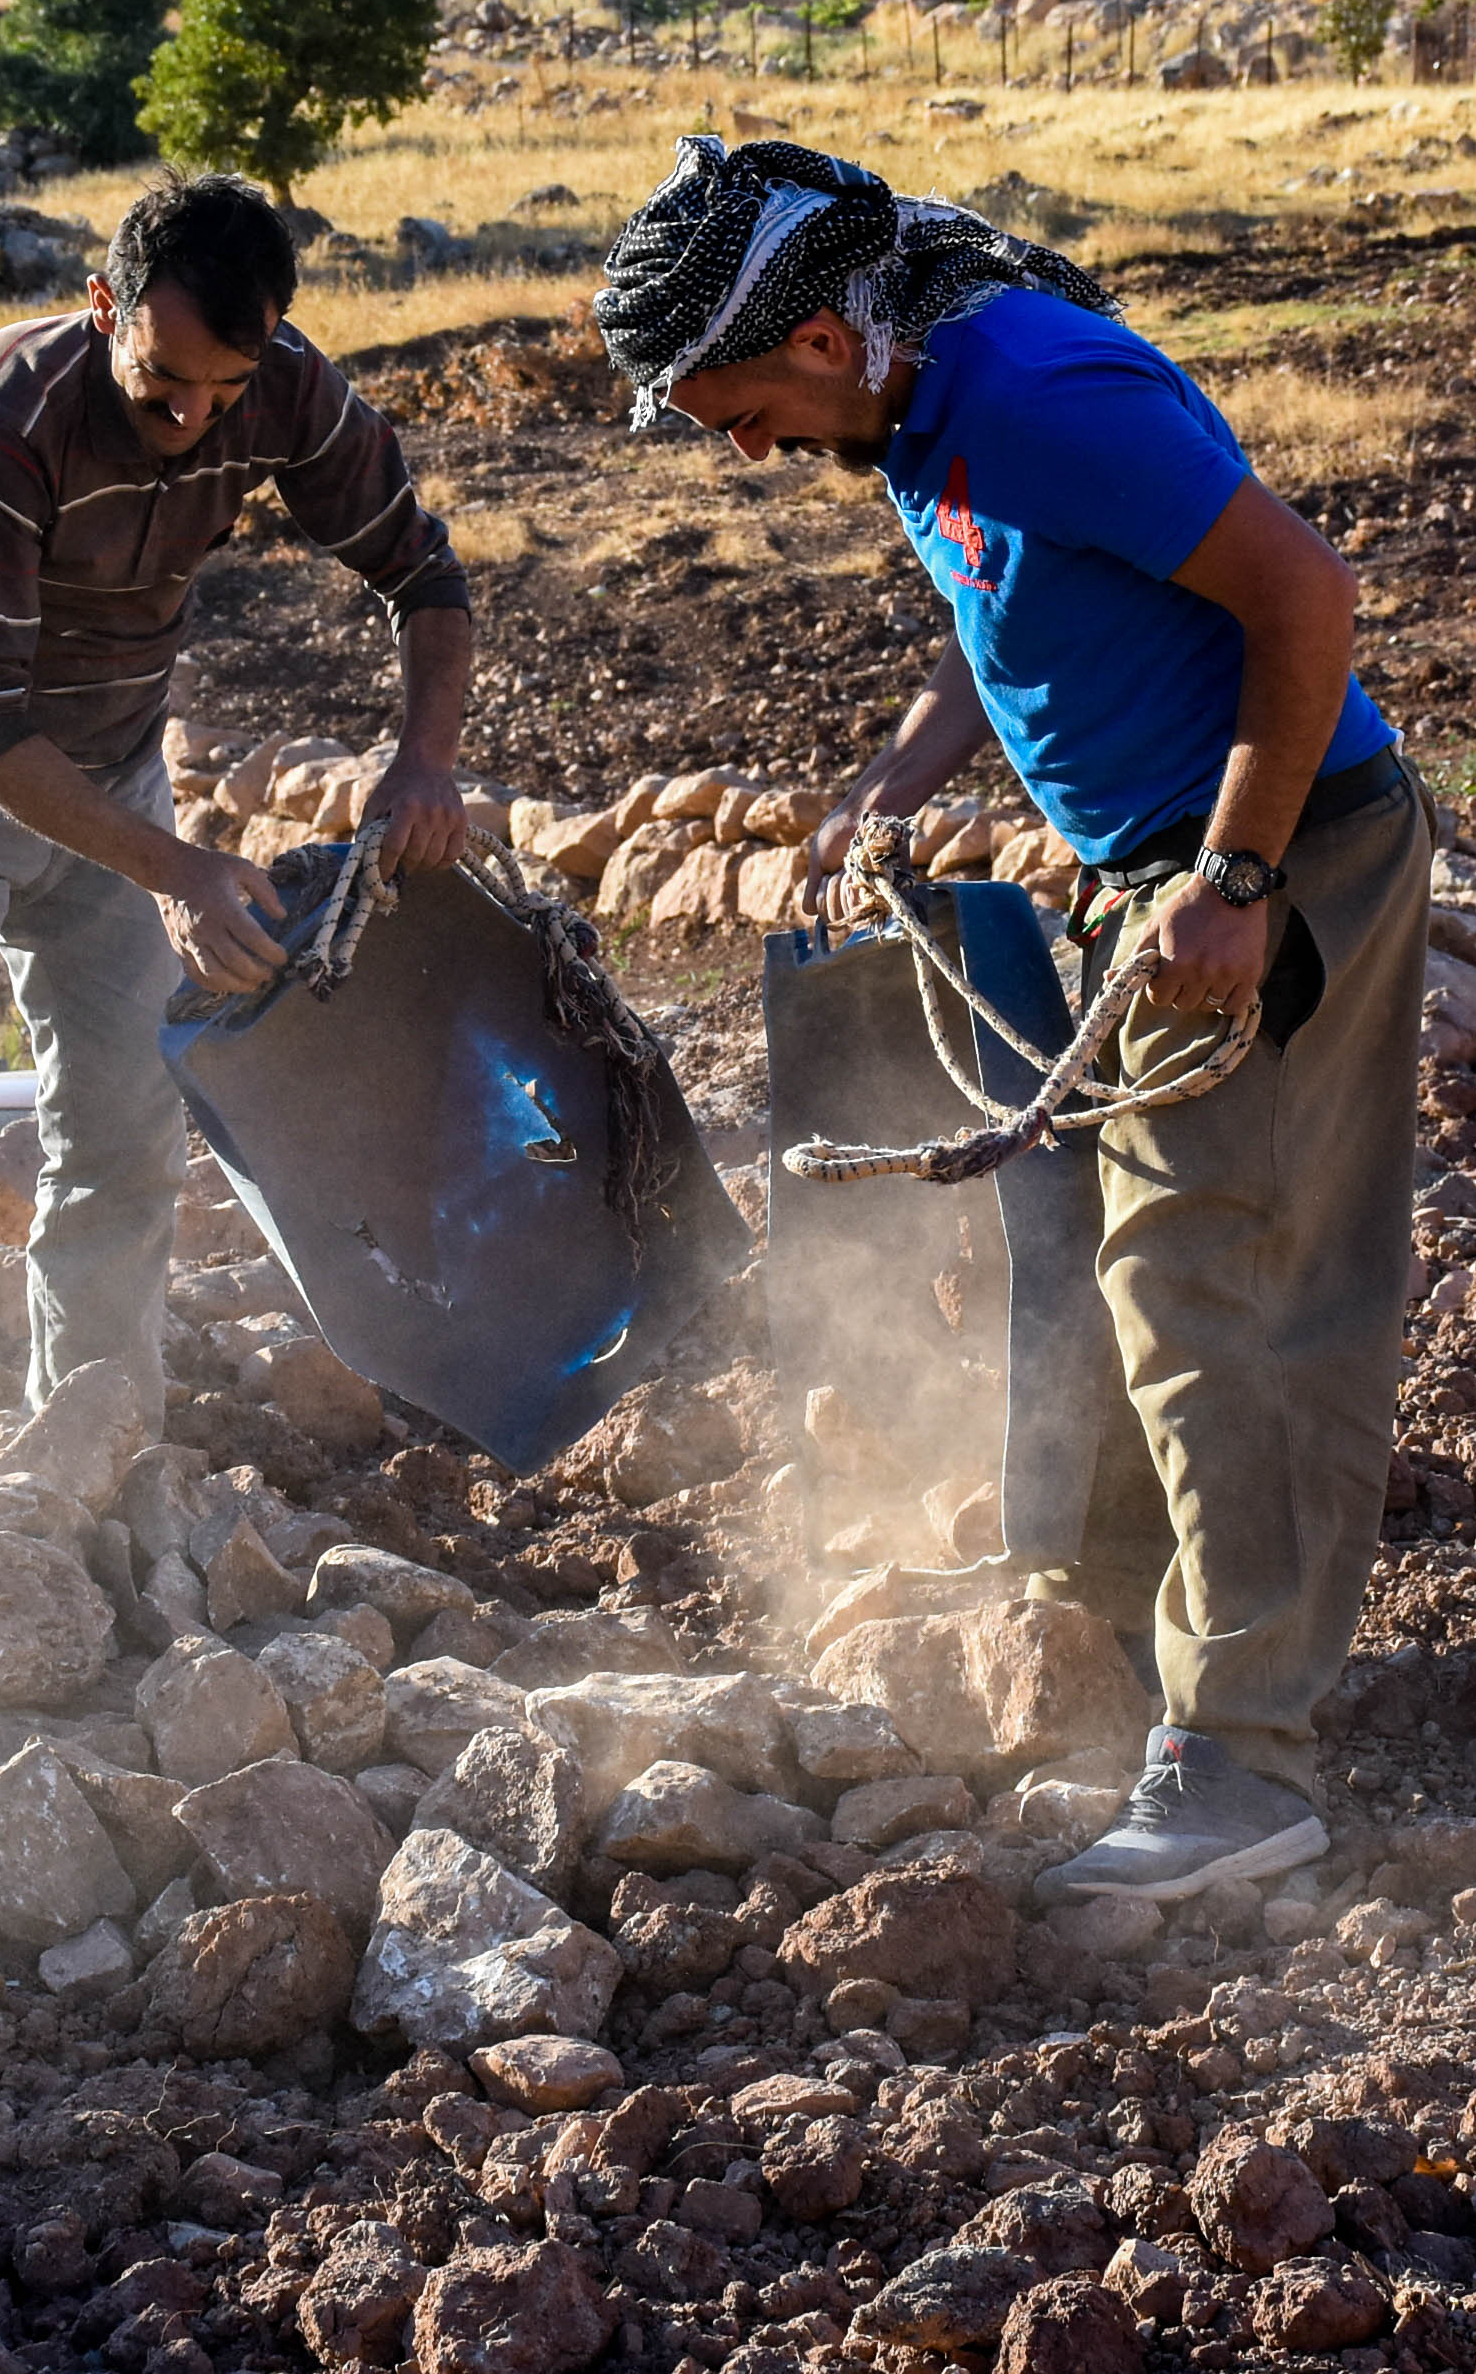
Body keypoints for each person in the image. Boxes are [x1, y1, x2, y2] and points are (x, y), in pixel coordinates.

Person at [591, 135, 1429, 1904]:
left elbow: (1306, 597)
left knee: (1230, 1283)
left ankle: (1241, 1755)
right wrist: (893, 789)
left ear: (818, 339)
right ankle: (1139, 1678)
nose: (738, 450)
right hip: (1166, 874)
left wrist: (1241, 878)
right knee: (1140, 1267)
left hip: (1276, 863)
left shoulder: (1030, 388)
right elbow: (1007, 618)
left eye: (732, 408)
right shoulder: (915, 406)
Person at [0, 172, 475, 1442]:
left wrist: (424, 761)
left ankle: (94, 1435)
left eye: (223, 390)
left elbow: (422, 573)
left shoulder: (277, 384)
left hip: (109, 769)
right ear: (104, 304)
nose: (189, 415)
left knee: (122, 1125)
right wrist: (179, 870)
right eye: (162, 379)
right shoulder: (2, 420)